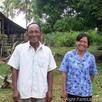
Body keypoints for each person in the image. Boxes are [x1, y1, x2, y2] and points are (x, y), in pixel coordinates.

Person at [8, 23, 56, 102]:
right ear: (27, 34)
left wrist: (50, 91)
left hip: (41, 92)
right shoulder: (19, 49)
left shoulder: (47, 51)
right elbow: (14, 69)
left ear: (41, 34)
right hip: (23, 92)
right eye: (31, 32)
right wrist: (15, 90)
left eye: (36, 32)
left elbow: (50, 71)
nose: (34, 34)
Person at [59, 33, 97, 102]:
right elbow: (64, 73)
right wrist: (63, 90)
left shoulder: (91, 57)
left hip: (86, 93)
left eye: (85, 42)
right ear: (76, 42)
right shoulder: (69, 55)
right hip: (71, 92)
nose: (82, 43)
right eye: (80, 41)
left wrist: (86, 85)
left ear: (88, 45)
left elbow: (92, 74)